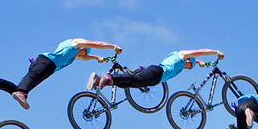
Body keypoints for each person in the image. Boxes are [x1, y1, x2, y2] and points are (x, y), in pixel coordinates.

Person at [0, 38, 121, 109]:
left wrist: (98, 58)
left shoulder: (73, 55)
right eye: (82, 53)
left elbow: (86, 57)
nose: (80, 56)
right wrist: (112, 46)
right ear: (82, 49)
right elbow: (95, 44)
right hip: (46, 62)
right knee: (25, 87)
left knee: (17, 89)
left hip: (46, 67)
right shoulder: (76, 43)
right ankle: (22, 92)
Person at [94, 48, 223, 94]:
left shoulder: (182, 64)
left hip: (156, 78)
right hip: (157, 72)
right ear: (188, 60)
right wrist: (215, 52)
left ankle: (101, 81)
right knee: (136, 80)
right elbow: (200, 52)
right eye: (188, 65)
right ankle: (110, 78)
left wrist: (203, 63)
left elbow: (197, 61)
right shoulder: (181, 55)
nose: (187, 67)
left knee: (131, 84)